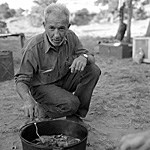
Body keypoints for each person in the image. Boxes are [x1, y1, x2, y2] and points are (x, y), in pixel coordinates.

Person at [15, 3, 101, 126]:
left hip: (64, 79)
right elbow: (21, 80)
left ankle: (75, 116)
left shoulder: (71, 37)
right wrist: (28, 100)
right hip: (42, 86)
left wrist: (84, 57)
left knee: (93, 70)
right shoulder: (33, 47)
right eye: (52, 28)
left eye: (61, 28)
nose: (56, 35)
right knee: (71, 103)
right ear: (44, 26)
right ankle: (43, 110)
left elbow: (90, 56)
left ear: (68, 27)